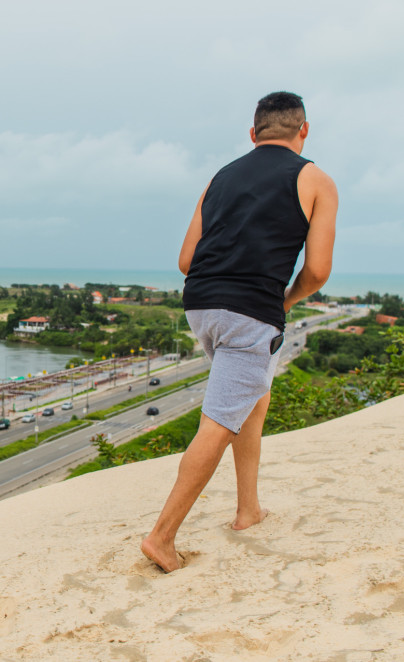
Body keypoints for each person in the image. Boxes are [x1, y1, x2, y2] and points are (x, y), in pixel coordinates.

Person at [141, 91, 338, 573]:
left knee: (253, 395)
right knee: (220, 421)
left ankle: (247, 509)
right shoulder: (315, 178)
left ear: (254, 135)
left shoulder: (220, 178)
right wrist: (284, 301)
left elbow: (187, 260)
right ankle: (162, 538)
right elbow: (317, 272)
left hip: (201, 307)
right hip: (251, 312)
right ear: (303, 129)